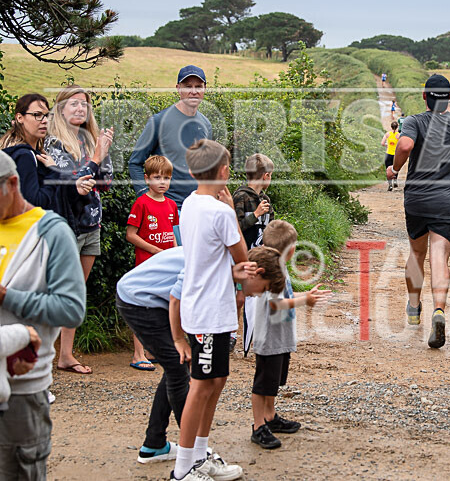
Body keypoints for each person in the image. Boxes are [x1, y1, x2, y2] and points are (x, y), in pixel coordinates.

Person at [115, 245, 279, 466]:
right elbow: (177, 298)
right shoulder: (217, 267)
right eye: (264, 288)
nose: (258, 294)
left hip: (152, 300)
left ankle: (154, 444)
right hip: (139, 299)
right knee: (177, 368)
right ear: (257, 273)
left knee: (178, 367)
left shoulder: (227, 268)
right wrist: (179, 339)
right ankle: (191, 452)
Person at [0, 150, 86, 479]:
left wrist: (7, 296)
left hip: (22, 393)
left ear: (12, 184)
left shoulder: (51, 233)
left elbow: (71, 309)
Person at [169, 139, 247, 481]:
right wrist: (230, 209)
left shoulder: (189, 203)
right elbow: (242, 257)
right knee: (201, 385)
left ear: (190, 171)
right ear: (225, 172)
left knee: (217, 379)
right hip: (208, 308)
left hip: (209, 306)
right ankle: (183, 469)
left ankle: (199, 457)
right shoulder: (220, 211)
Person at [387, 74, 450, 349]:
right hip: (446, 201)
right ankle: (438, 310)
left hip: (417, 199)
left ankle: (414, 306)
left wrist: (395, 168)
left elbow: (404, 145)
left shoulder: (414, 121)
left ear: (424, 96)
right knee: (439, 256)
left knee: (417, 253)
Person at [45, 85, 113, 376]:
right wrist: (95, 161)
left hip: (91, 222)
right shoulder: (53, 144)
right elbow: (72, 182)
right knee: (55, 289)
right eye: (73, 104)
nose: (80, 109)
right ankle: (40, 352)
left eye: (84, 105)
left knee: (77, 291)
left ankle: (65, 354)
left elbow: (105, 180)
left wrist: (95, 161)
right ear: (60, 109)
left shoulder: (90, 141)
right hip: (64, 225)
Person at [248, 220, 330, 450]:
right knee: (263, 384)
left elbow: (284, 296)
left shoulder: (278, 267)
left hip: (280, 337)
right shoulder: (272, 271)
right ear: (292, 250)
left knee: (273, 382)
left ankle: (270, 416)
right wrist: (306, 300)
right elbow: (276, 304)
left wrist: (305, 294)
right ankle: (257, 426)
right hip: (269, 339)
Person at [129, 65, 212, 242]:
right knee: (175, 264)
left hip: (198, 207)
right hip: (169, 209)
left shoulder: (206, 124)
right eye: (188, 86)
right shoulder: (159, 121)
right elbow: (135, 162)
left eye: (198, 86)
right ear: (178, 89)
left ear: (205, 89)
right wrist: (146, 197)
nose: (193, 91)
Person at [126, 155, 180, 371]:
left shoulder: (171, 205)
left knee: (163, 306)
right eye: (157, 177)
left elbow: (171, 233)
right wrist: (155, 250)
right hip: (147, 264)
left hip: (166, 265)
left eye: (166, 178)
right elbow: (131, 234)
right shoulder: (141, 203)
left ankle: (151, 350)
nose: (162, 182)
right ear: (147, 179)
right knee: (142, 306)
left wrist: (176, 253)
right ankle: (137, 353)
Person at [0, 93, 94, 212]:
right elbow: (36, 204)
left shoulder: (36, 153)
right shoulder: (24, 156)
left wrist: (74, 188)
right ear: (19, 118)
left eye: (46, 116)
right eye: (37, 115)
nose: (44, 121)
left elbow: (55, 197)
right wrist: (53, 171)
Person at [233, 154, 275, 250]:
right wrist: (255, 215)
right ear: (266, 176)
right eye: (271, 175)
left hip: (261, 255)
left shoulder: (265, 199)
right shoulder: (240, 197)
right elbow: (234, 229)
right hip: (243, 256)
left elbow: (271, 227)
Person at [381, 122, 400, 191]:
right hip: (396, 155)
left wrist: (387, 145)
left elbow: (382, 143)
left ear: (391, 127)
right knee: (395, 169)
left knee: (388, 169)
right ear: (397, 127)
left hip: (388, 154)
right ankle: (395, 181)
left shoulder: (387, 134)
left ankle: (390, 185)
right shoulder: (399, 135)